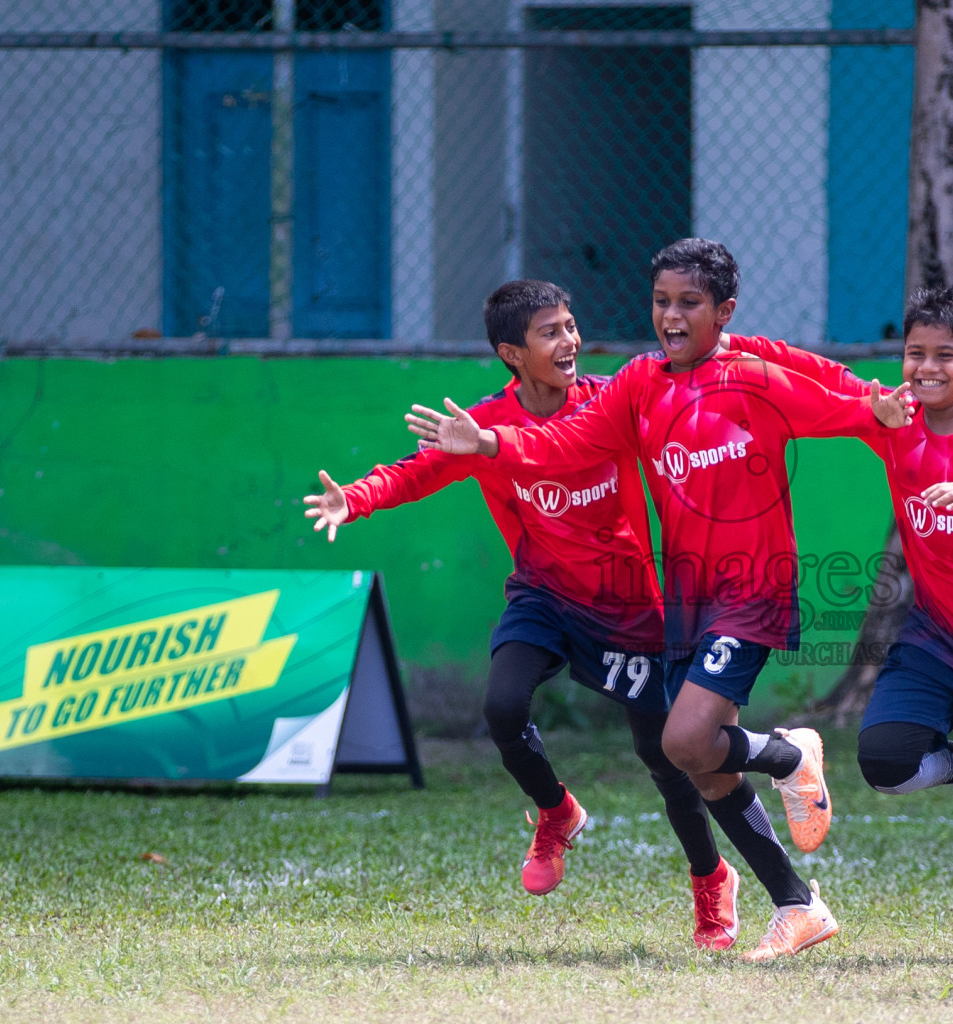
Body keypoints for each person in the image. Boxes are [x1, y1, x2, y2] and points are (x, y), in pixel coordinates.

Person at [405, 238, 914, 961]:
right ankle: (799, 906)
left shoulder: (754, 376)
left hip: (751, 589)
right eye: (661, 302)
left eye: (689, 304)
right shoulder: (641, 382)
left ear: (723, 311)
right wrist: (491, 443)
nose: (671, 316)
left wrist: (891, 416)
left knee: (679, 743)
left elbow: (848, 408)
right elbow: (567, 443)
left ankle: (790, 751)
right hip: (684, 600)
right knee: (705, 766)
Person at [303, 280, 741, 950]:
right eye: (549, 333)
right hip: (542, 596)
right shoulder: (482, 427)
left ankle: (711, 881)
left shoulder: (607, 404)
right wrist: (353, 500)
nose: (568, 342)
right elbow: (414, 472)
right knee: (504, 708)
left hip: (628, 606)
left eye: (570, 326)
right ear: (512, 351)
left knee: (662, 754)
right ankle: (556, 812)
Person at [729, 286, 953, 961]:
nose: (926, 368)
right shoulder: (894, 416)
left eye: (946, 356)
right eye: (915, 354)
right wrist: (728, 344)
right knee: (885, 763)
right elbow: (814, 372)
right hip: (936, 637)